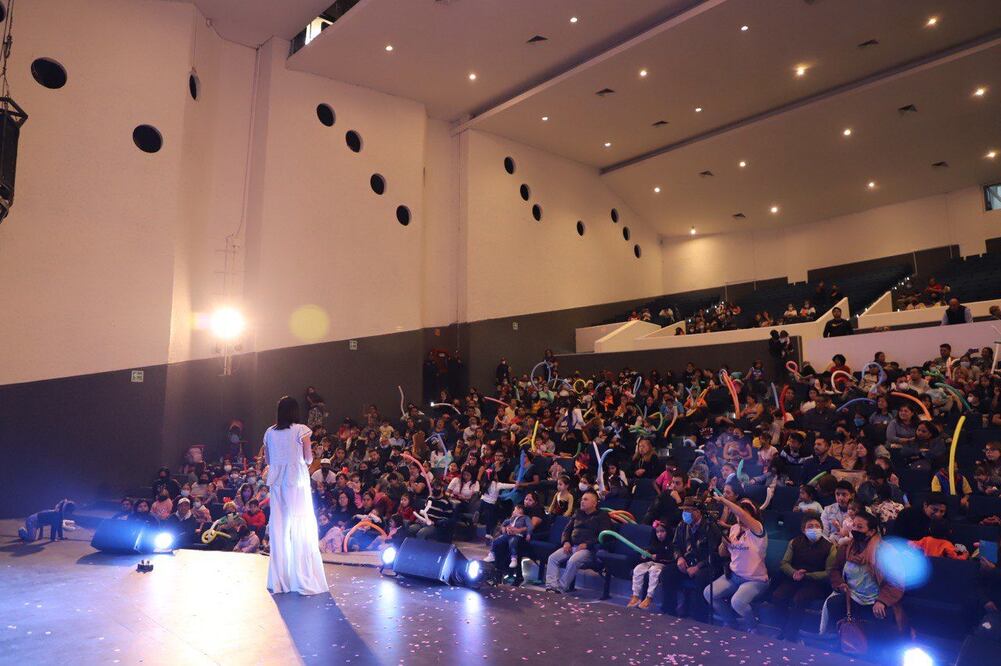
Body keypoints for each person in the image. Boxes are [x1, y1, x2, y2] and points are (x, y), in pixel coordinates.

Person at [263, 395, 327, 595]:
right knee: (301, 526)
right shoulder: (301, 430)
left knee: (279, 527)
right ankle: (302, 577)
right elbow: (308, 459)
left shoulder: (269, 433)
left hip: (277, 483)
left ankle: (281, 580)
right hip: (296, 483)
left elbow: (268, 459)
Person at [824, 511, 904, 655]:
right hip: (852, 595)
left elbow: (896, 583)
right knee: (834, 604)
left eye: (860, 527)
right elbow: (835, 570)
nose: (855, 530)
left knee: (882, 618)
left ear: (871, 531)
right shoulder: (846, 548)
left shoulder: (886, 552)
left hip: (876, 598)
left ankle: (876, 655)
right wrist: (840, 583)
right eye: (853, 526)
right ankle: (842, 647)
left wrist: (882, 601)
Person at [704, 495, 769, 630]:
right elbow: (723, 553)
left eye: (745, 513)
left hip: (754, 579)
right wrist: (724, 544)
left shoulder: (757, 529)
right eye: (740, 512)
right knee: (708, 593)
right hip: (734, 576)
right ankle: (731, 622)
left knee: (737, 602)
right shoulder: (734, 528)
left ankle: (753, 626)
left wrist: (723, 501)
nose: (740, 516)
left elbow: (742, 514)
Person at [771, 514, 835, 642]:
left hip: (816, 582)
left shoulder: (829, 547)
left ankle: (790, 636)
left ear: (822, 529)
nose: (814, 529)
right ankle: (785, 628)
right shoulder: (794, 542)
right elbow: (784, 563)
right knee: (778, 595)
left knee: (799, 599)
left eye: (817, 526)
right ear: (803, 529)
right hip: (795, 578)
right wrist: (794, 573)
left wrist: (807, 575)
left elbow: (829, 572)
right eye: (810, 526)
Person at [545, 490, 612, 593]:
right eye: (582, 499)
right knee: (553, 558)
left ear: (594, 503)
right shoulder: (578, 513)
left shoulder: (602, 516)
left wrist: (587, 544)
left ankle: (561, 588)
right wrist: (566, 542)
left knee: (573, 560)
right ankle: (551, 586)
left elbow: (605, 536)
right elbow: (567, 530)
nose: (582, 501)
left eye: (585, 499)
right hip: (572, 546)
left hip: (589, 550)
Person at [662, 497, 718, 617]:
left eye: (688, 510)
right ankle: (669, 610)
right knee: (667, 572)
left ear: (697, 512)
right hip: (686, 562)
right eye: (684, 510)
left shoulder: (709, 527)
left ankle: (699, 615)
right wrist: (679, 558)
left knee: (701, 577)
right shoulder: (682, 525)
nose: (685, 514)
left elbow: (713, 552)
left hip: (704, 565)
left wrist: (698, 566)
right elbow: (675, 545)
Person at [628, 521, 673, 609]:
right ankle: (635, 595)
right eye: (657, 532)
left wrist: (658, 556)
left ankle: (649, 597)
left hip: (662, 564)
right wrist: (645, 554)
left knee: (654, 571)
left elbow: (670, 556)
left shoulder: (671, 543)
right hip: (651, 562)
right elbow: (650, 549)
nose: (659, 534)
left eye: (662, 531)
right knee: (638, 569)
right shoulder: (654, 541)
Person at [484, 503, 531, 570]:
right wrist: (504, 528)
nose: (513, 511)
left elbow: (529, 526)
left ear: (520, 510)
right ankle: (492, 555)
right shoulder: (512, 518)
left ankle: (514, 559)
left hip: (517, 535)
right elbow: (505, 523)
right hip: (508, 534)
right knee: (496, 541)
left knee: (512, 543)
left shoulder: (525, 518)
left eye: (515, 510)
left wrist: (528, 534)